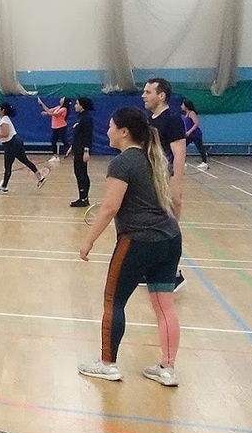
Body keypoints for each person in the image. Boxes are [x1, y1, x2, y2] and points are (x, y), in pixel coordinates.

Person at [78, 107, 182, 387]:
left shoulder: (123, 163)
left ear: (124, 132)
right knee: (164, 307)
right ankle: (168, 369)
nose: (108, 131)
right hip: (170, 239)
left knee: (114, 302)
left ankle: (108, 364)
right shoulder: (156, 159)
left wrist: (88, 240)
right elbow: (175, 203)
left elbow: (110, 206)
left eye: (111, 126)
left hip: (137, 241)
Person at [142, 77, 186, 291]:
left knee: (167, 227)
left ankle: (174, 273)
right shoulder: (151, 119)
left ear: (161, 95)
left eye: (148, 92)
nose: (144, 95)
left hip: (166, 180)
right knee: (154, 227)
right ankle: (156, 270)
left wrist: (175, 183)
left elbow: (179, 153)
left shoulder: (173, 119)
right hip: (153, 180)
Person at [0, 101, 47, 194]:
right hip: (15, 143)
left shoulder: (4, 120)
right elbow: (1, 132)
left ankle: (4, 187)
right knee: (25, 161)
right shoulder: (2, 119)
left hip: (12, 144)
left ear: (2, 110)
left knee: (8, 166)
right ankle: (40, 177)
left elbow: (6, 133)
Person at [69, 97, 95, 207]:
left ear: (82, 105)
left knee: (81, 173)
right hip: (77, 148)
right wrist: (72, 147)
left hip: (82, 150)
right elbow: (78, 135)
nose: (75, 105)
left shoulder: (87, 118)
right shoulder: (80, 117)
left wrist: (86, 151)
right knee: (78, 172)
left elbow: (87, 136)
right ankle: (82, 197)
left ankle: (84, 198)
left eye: (77, 103)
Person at [38, 96, 71, 162]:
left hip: (62, 127)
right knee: (53, 141)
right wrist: (41, 103)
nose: (61, 99)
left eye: (62, 98)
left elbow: (55, 114)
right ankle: (55, 157)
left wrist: (47, 113)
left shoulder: (64, 109)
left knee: (64, 141)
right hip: (55, 127)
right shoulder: (58, 107)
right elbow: (48, 110)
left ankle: (74, 153)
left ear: (64, 101)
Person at [181, 99, 209, 171]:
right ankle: (183, 162)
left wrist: (189, 132)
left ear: (186, 106)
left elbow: (196, 123)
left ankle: (204, 162)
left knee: (200, 147)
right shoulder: (186, 114)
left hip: (195, 134)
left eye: (183, 105)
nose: (181, 106)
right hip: (189, 135)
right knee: (182, 146)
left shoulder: (191, 113)